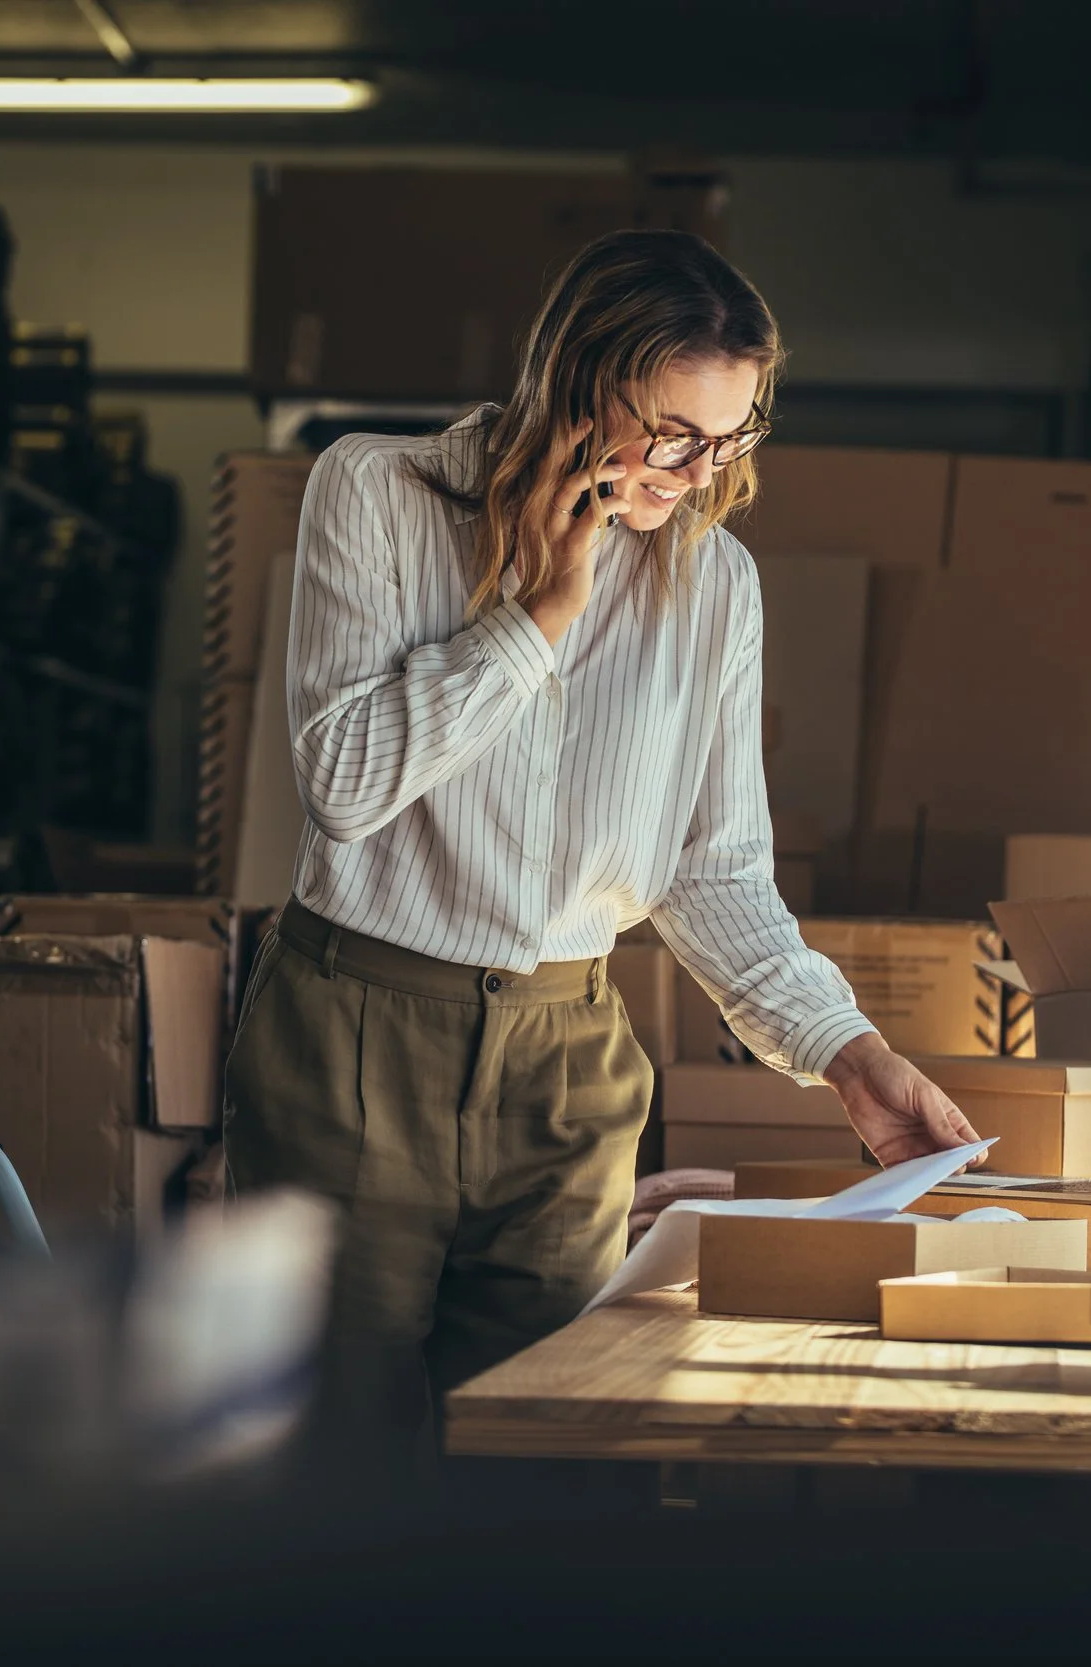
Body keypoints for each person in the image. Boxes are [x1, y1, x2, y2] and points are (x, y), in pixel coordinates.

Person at [224, 228, 982, 1460]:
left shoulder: (714, 583)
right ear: (576, 382)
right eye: (672, 432)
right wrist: (539, 618)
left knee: (551, 1459)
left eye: (729, 437)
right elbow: (344, 785)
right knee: (329, 1459)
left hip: (569, 1063)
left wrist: (850, 1055)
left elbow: (712, 869)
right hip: (353, 1037)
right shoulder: (375, 490)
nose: (696, 469)